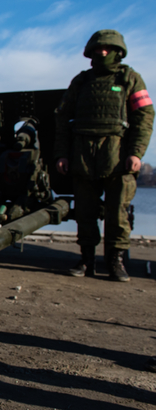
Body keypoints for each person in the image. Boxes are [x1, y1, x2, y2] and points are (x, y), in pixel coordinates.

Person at [55, 29, 153, 282]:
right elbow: (63, 118)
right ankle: (87, 260)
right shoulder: (82, 81)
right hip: (83, 154)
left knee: (117, 214)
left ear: (118, 51)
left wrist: (136, 153)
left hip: (118, 155)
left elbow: (144, 117)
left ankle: (115, 261)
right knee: (85, 212)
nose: (103, 52)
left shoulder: (131, 79)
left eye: (107, 48)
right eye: (98, 48)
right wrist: (63, 155)